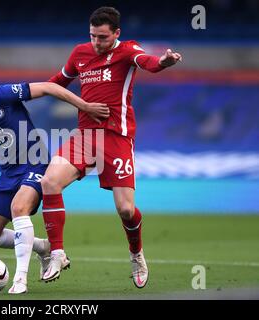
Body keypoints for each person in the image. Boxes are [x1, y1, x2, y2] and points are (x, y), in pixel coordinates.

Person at [40, 7, 182, 288]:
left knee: (126, 210)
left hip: (117, 137)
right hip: (85, 136)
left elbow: (149, 62)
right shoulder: (80, 53)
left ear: (116, 33)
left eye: (102, 37)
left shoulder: (128, 51)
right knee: (49, 181)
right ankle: (57, 253)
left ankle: (136, 254)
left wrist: (164, 61)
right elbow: (58, 82)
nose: (96, 42)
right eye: (93, 36)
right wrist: (25, 91)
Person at [0, 64, 109, 294]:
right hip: (9, 174)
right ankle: (43, 247)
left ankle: (20, 279)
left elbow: (49, 87)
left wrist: (84, 106)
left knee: (18, 206)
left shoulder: (2, 95)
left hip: (35, 164)